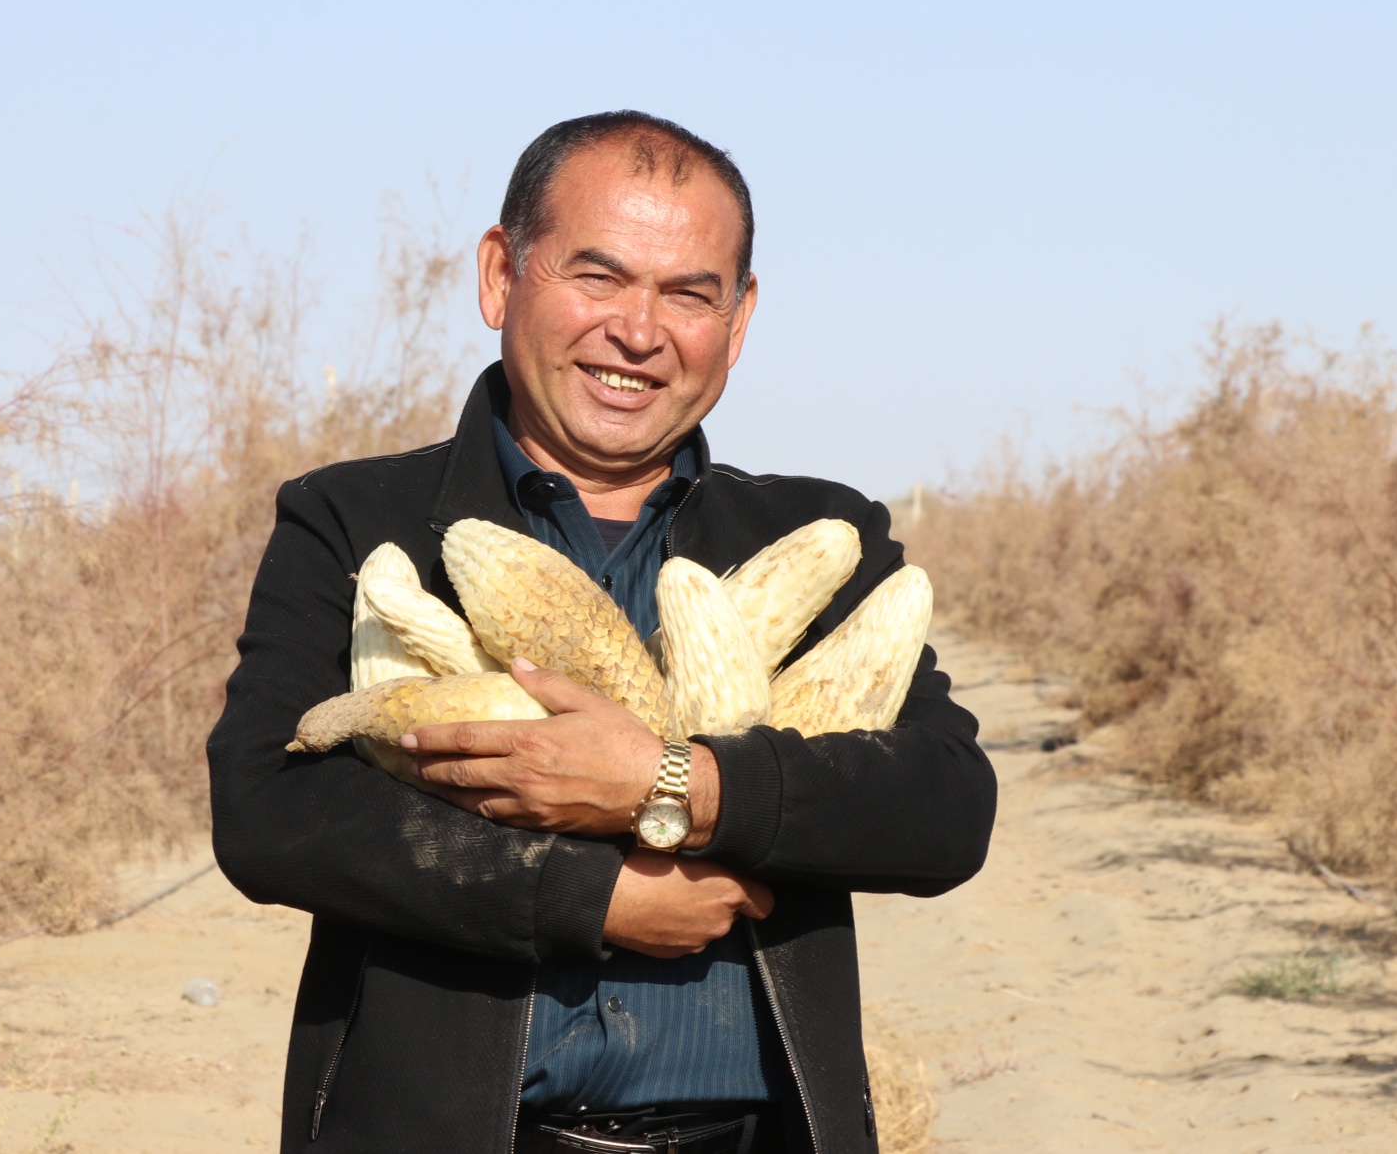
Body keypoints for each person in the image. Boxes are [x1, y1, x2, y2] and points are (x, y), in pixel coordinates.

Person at [208, 111, 996, 1154]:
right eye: (598, 277)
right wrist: (587, 896)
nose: (638, 331)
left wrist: (678, 785)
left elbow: (944, 806)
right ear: (501, 275)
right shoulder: (354, 520)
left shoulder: (822, 536)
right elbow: (269, 809)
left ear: (739, 320)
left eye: (690, 294)